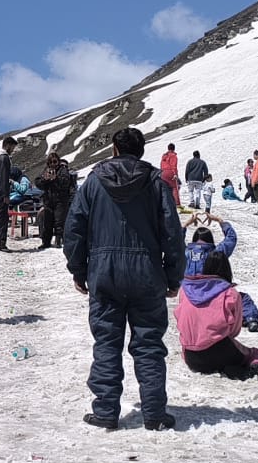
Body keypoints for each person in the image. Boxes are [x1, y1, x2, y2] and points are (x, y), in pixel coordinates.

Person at [64, 127, 183, 431]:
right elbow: (172, 231)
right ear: (141, 150)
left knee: (106, 340)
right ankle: (155, 413)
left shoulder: (93, 182)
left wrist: (78, 269)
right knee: (149, 344)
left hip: (104, 272)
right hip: (146, 273)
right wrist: (173, 276)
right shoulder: (156, 182)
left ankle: (105, 410)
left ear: (114, 149)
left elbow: (74, 227)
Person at [175, 251, 258, 382]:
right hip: (219, 350)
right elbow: (234, 330)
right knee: (253, 354)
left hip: (191, 357)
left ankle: (226, 366)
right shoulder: (229, 293)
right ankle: (248, 369)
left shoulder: (186, 291)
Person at [35, 151, 74, 250]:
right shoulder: (46, 170)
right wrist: (45, 179)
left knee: (59, 221)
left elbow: (65, 183)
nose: (53, 164)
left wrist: (56, 179)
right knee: (47, 222)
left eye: (54, 162)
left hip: (60, 200)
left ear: (58, 162)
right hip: (48, 200)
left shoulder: (63, 170)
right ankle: (46, 242)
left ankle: (58, 240)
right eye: (50, 162)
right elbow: (37, 182)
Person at [0, 136, 18, 253]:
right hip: (1, 191)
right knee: (2, 218)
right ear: (8, 145)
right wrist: (6, 194)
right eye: (12, 147)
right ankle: (1, 243)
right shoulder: (4, 158)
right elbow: (4, 177)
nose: (13, 150)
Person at [160, 143, 180, 208]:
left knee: (166, 188)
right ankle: (177, 204)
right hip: (170, 172)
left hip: (163, 172)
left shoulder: (164, 156)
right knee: (174, 187)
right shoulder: (173, 156)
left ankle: (166, 202)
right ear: (174, 149)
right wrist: (175, 174)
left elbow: (161, 165)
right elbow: (173, 166)